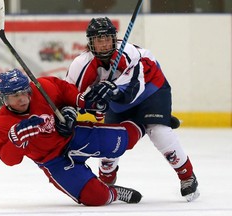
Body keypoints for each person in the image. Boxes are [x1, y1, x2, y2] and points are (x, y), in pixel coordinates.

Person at [65, 17, 200, 202]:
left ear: (114, 39)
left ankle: (187, 175)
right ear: (90, 42)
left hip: (152, 89)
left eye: (107, 39)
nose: (104, 44)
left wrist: (113, 91)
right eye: (99, 39)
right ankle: (107, 182)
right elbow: (68, 94)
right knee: (109, 141)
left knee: (158, 130)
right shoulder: (81, 65)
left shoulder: (129, 54)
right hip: (120, 100)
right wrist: (80, 108)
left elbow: (135, 90)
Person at [0, 68, 145, 206]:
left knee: (125, 139)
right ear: (4, 99)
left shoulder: (43, 88)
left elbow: (66, 93)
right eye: (15, 95)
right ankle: (113, 192)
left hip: (73, 136)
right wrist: (15, 142)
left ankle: (149, 123)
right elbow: (9, 160)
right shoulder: (0, 125)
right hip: (53, 161)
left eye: (24, 92)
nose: (22, 98)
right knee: (97, 197)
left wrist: (78, 106)